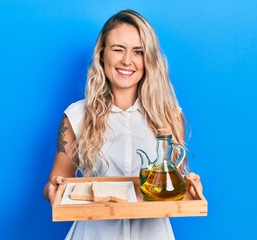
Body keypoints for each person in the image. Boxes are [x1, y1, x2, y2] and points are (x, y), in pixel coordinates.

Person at [43, 9, 203, 240]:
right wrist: (52, 189)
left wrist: (189, 186)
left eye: (138, 52)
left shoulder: (168, 115)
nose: (127, 61)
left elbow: (170, 183)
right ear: (102, 55)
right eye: (118, 49)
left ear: (148, 59)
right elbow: (56, 180)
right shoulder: (77, 115)